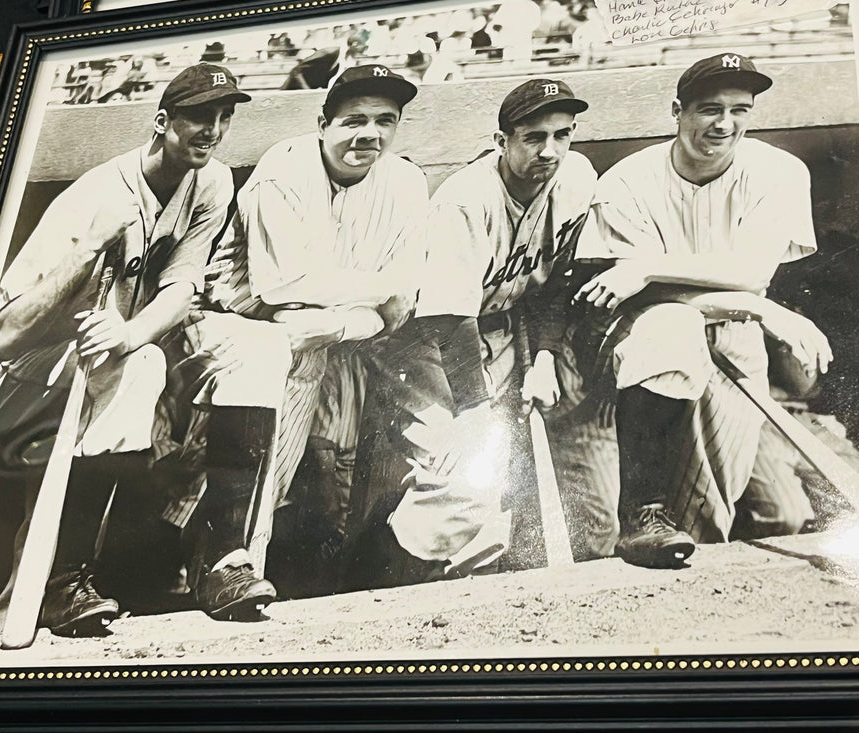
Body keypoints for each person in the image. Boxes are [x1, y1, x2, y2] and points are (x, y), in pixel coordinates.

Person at [0, 63, 250, 641]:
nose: (213, 129)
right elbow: (8, 335)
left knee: (140, 360)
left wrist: (127, 332)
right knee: (136, 368)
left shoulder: (212, 181)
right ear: (161, 120)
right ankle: (62, 583)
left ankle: (61, 583)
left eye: (224, 116)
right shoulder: (93, 196)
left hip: (91, 366)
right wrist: (89, 246)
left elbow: (182, 284)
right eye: (199, 115)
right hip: (10, 384)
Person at [170, 63, 428, 620]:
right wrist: (381, 296)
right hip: (227, 325)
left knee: (330, 467)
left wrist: (347, 321)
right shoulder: (285, 169)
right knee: (213, 470)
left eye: (386, 120)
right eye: (354, 120)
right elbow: (282, 286)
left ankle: (247, 573)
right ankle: (221, 571)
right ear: (322, 123)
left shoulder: (406, 182)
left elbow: (404, 307)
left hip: (331, 341)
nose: (370, 134)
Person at [342, 77, 602, 588]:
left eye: (562, 135)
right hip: (425, 341)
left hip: (503, 331)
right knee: (459, 472)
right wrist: (475, 412)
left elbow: (554, 282)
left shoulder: (576, 179)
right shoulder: (466, 199)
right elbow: (448, 316)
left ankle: (412, 580)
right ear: (502, 140)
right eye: (534, 137)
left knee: (489, 478)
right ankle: (365, 584)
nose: (550, 150)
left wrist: (545, 357)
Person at [577, 52, 832, 569]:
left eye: (740, 108)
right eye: (708, 109)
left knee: (716, 507)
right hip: (646, 334)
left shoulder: (780, 171)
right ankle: (642, 524)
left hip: (736, 333)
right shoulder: (626, 182)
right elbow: (645, 298)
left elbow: (750, 274)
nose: (725, 124)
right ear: (677, 110)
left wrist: (648, 266)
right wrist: (764, 311)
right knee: (670, 327)